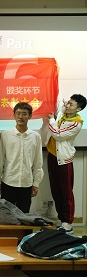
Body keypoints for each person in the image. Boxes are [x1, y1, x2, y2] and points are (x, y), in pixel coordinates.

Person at [41, 94, 86, 233]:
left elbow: (58, 135)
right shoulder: (63, 114)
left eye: (71, 104)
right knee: (55, 190)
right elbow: (58, 103)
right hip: (52, 156)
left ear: (78, 109)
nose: (67, 106)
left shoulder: (76, 123)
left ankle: (68, 222)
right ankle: (61, 219)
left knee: (66, 192)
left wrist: (52, 120)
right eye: (68, 103)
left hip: (64, 160)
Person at [0, 102, 43, 213]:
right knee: (5, 215)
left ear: (30, 116)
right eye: (18, 113)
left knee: (23, 216)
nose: (21, 117)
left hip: (26, 183)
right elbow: (0, 160)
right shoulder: (5, 135)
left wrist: (36, 183)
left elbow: (38, 163)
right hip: (8, 182)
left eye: (24, 114)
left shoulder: (35, 137)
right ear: (14, 115)